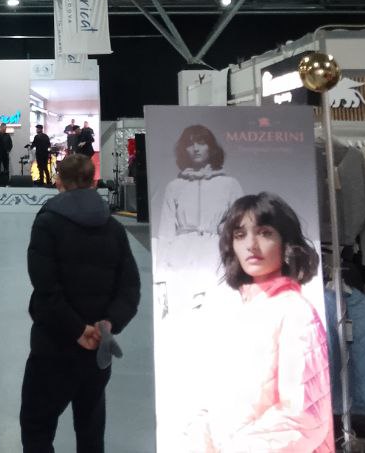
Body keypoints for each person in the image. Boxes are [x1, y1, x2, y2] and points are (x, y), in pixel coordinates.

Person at [185, 193, 333, 452]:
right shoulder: (232, 311)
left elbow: (303, 418)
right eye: (240, 235)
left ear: (286, 242)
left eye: (265, 233)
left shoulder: (296, 312)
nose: (251, 245)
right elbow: (213, 400)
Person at [19, 154, 140, 453]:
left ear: (59, 180)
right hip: (98, 349)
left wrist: (77, 330)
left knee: (37, 427)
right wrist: (108, 323)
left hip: (53, 347)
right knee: (90, 428)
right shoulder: (113, 228)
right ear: (93, 181)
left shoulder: (47, 223)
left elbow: (45, 288)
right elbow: (129, 288)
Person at [157, 126, 243, 285]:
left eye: (201, 143)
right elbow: (165, 232)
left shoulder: (230, 185)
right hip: (180, 256)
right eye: (190, 144)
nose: (195, 148)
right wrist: (160, 276)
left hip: (217, 255)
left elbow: (241, 227)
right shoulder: (174, 187)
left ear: (211, 147)